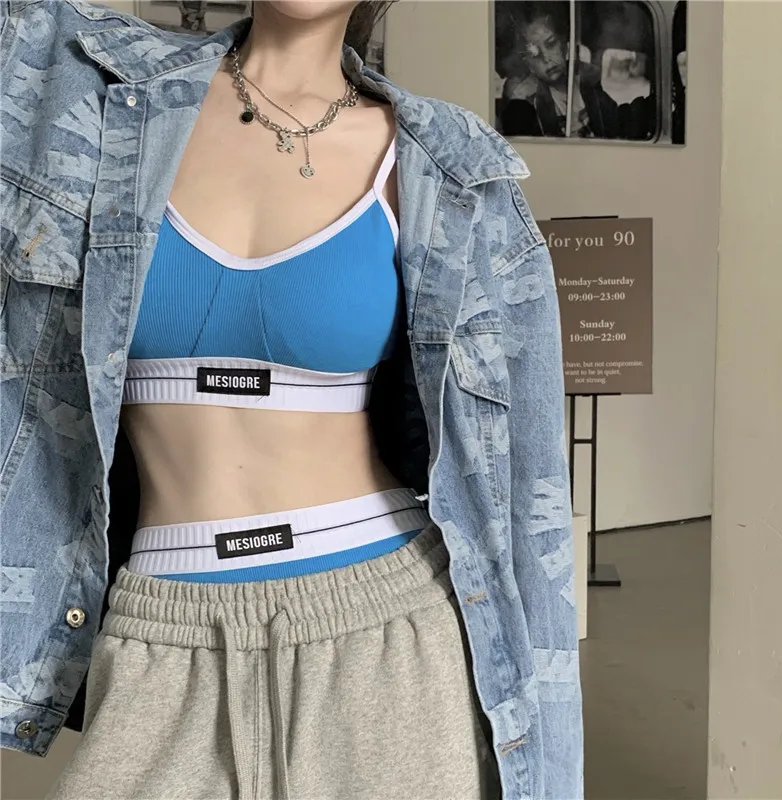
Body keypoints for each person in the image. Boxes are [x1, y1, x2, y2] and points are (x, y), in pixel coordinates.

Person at [0, 1, 582, 798]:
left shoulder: (451, 167)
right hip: (162, 623)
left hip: (387, 626)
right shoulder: (88, 88)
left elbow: (530, 499)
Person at [498, 1, 654, 140]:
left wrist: (650, 107)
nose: (546, 58)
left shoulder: (588, 86)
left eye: (551, 44)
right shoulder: (526, 105)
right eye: (535, 54)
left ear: (564, 45)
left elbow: (616, 124)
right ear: (528, 64)